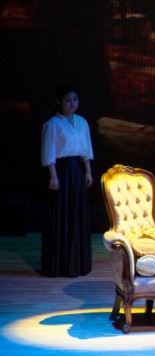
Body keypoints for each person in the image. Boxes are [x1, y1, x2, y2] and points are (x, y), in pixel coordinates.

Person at [40, 84, 94, 277]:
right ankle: (59, 264)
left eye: (75, 99)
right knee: (61, 214)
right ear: (59, 102)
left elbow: (86, 149)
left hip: (77, 171)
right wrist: (53, 176)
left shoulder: (81, 122)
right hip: (61, 172)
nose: (72, 104)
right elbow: (48, 153)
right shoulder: (52, 124)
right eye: (68, 100)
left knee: (77, 214)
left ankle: (77, 263)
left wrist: (88, 171)